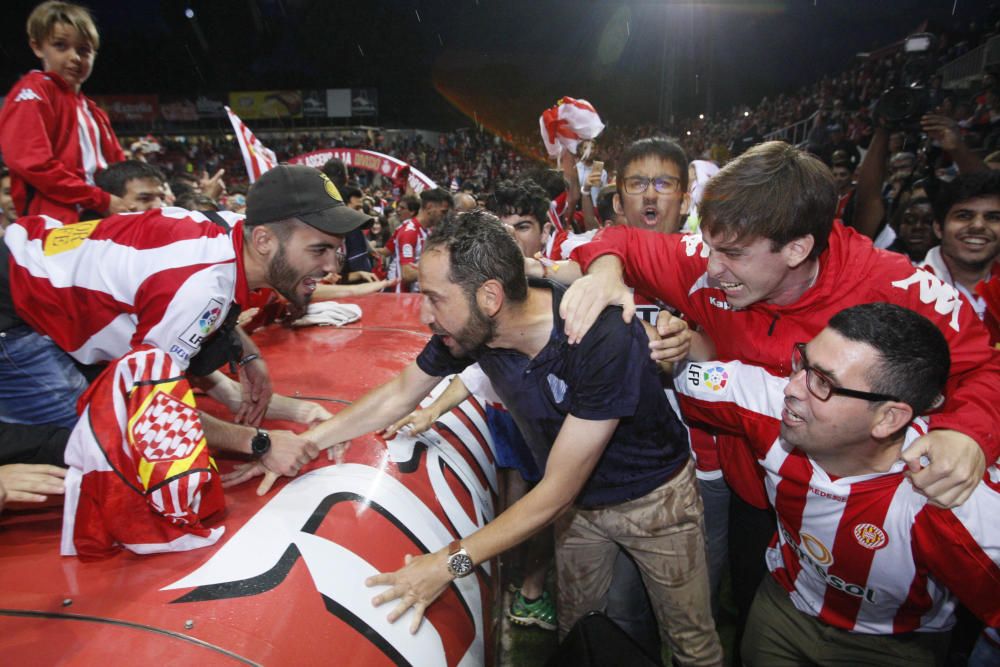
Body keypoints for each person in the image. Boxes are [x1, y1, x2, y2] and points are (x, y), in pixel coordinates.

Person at [562, 140, 1000, 654]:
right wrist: (608, 273)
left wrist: (966, 433)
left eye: (732, 254)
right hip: (759, 497)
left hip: (871, 509)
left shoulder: (897, 284)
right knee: (757, 612)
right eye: (708, 245)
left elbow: (985, 366)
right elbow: (621, 241)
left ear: (796, 248)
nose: (713, 267)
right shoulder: (712, 254)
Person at [228, 211, 723, 665]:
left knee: (691, 643)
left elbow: (555, 491)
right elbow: (400, 394)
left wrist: (449, 563)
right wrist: (307, 442)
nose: (424, 314)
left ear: (489, 296)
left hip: (656, 502)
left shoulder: (599, 338)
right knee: (582, 628)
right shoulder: (473, 330)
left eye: (435, 297)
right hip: (581, 512)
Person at [0, 164, 368, 557]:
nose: (332, 267)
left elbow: (208, 303)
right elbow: (152, 417)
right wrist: (260, 442)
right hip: (15, 311)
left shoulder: (232, 231)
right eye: (319, 249)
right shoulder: (196, 287)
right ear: (263, 240)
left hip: (30, 268)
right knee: (95, 446)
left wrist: (247, 354)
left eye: (336, 249)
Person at [673, 303, 1000, 666]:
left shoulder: (948, 496)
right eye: (802, 362)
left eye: (823, 383)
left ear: (889, 417)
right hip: (783, 608)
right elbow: (685, 374)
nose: (791, 388)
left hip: (894, 645)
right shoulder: (767, 406)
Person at [0, 1, 127, 224]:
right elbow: (34, 165)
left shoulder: (94, 111)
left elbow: (120, 169)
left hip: (98, 221)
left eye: (84, 50)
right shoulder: (33, 91)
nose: (75, 58)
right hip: (54, 227)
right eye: (61, 46)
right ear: (37, 47)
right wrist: (102, 200)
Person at [919, 170, 1000, 345]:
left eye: (993, 217)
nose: (978, 226)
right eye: (964, 216)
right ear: (939, 228)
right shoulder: (910, 288)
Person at [384, 187, 452, 293]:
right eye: (443, 212)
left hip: (415, 295)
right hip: (401, 296)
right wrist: (439, 269)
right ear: (429, 207)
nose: (444, 216)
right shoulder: (409, 232)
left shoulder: (428, 231)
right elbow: (407, 274)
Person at [93, 159, 167, 212]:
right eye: (145, 199)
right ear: (113, 201)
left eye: (162, 198)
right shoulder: (92, 233)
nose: (159, 206)